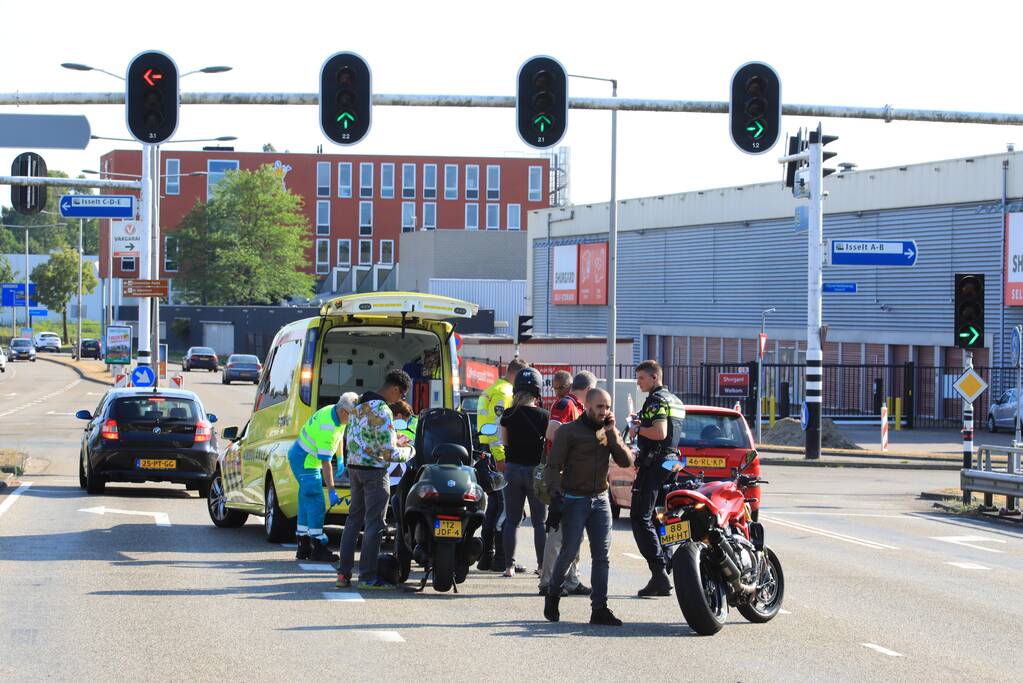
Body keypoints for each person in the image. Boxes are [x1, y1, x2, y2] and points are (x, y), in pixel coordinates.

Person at [543, 388, 633, 626]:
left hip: (601, 499)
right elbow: (553, 466)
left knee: (601, 556)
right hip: (574, 499)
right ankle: (553, 594)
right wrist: (555, 496)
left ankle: (599, 608)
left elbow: (626, 461)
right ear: (587, 406)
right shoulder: (568, 432)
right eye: (599, 407)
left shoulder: (608, 431)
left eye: (607, 407)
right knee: (569, 551)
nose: (604, 411)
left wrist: (612, 433)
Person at [336, 369, 414, 590]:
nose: (400, 400)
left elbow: (366, 439)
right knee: (374, 524)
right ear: (396, 389)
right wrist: (410, 450)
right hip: (374, 472)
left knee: (353, 521)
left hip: (354, 468)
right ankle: (368, 577)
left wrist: (393, 440)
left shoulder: (358, 405)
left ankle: (343, 574)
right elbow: (389, 454)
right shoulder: (382, 411)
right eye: (401, 395)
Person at [628, 359, 686, 597]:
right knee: (663, 517)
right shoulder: (675, 399)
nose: (638, 382)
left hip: (655, 463)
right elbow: (669, 432)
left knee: (640, 516)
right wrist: (645, 422)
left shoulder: (655, 400)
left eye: (641, 378)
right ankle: (669, 559)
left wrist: (637, 429)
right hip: (672, 463)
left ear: (654, 377)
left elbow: (659, 432)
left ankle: (659, 572)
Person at [538, 371, 597, 597]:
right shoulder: (566, 404)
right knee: (558, 531)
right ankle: (547, 582)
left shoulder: (580, 408)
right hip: (561, 476)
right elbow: (552, 432)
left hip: (574, 477)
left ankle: (572, 580)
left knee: (575, 532)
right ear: (589, 390)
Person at [287, 392, 359, 562]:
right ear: (344, 412)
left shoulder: (334, 411)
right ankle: (317, 547)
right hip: (306, 462)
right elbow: (326, 464)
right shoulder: (328, 427)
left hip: (301, 457)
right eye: (352, 416)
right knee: (317, 501)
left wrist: (341, 458)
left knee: (305, 500)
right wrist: (332, 490)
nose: (353, 420)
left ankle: (303, 545)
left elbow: (340, 437)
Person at [475, 357, 529, 571]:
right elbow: (498, 428)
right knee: (505, 508)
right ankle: (501, 559)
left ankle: (487, 557)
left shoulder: (492, 389)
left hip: (486, 452)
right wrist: (501, 458)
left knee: (495, 506)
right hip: (496, 454)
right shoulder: (505, 393)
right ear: (516, 374)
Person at [498, 367, 549, 578]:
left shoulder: (508, 414)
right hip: (536, 472)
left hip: (512, 470)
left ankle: (509, 566)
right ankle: (541, 566)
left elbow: (504, 443)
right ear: (537, 392)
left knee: (511, 520)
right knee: (539, 522)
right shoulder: (545, 416)